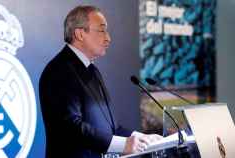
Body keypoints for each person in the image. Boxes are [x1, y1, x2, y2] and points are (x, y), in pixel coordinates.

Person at [39, 5, 162, 158]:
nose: (108, 38)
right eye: (102, 30)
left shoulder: (93, 71)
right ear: (80, 34)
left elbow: (112, 128)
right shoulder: (59, 70)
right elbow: (70, 127)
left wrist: (141, 138)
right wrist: (124, 145)